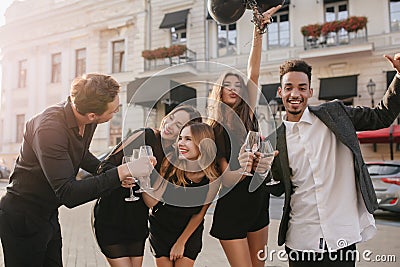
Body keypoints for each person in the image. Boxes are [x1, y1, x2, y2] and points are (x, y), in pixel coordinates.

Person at [0, 73, 155, 267]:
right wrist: (121, 172)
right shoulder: (50, 128)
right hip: (23, 217)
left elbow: (81, 154)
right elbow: (69, 193)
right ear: (92, 115)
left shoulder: (86, 120)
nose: (116, 112)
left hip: (48, 214)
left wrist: (109, 171)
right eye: (113, 112)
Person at [264, 53, 400, 266]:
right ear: (280, 92)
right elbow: (278, 188)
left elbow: (380, 116)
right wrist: (261, 172)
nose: (295, 93)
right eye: (288, 87)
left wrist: (399, 76)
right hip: (300, 239)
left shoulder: (335, 114)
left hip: (341, 237)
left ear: (310, 91)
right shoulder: (275, 139)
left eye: (301, 87)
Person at [207, 5, 282, 267]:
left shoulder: (248, 113)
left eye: (237, 85)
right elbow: (226, 178)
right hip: (232, 208)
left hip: (258, 202)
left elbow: (253, 71)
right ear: (219, 90)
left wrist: (258, 28)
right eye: (227, 85)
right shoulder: (213, 129)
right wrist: (246, 165)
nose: (234, 88)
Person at [93, 105, 202, 267]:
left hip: (137, 220)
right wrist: (120, 176)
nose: (169, 125)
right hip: (112, 215)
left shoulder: (174, 156)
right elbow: (104, 166)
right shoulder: (145, 135)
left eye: (178, 126)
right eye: (170, 118)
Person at [143, 122, 220, 267]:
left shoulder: (212, 177)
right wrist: (143, 180)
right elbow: (152, 203)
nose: (181, 143)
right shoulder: (169, 165)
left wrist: (181, 242)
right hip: (161, 228)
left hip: (189, 232)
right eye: (181, 138)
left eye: (188, 139)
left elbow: (199, 214)